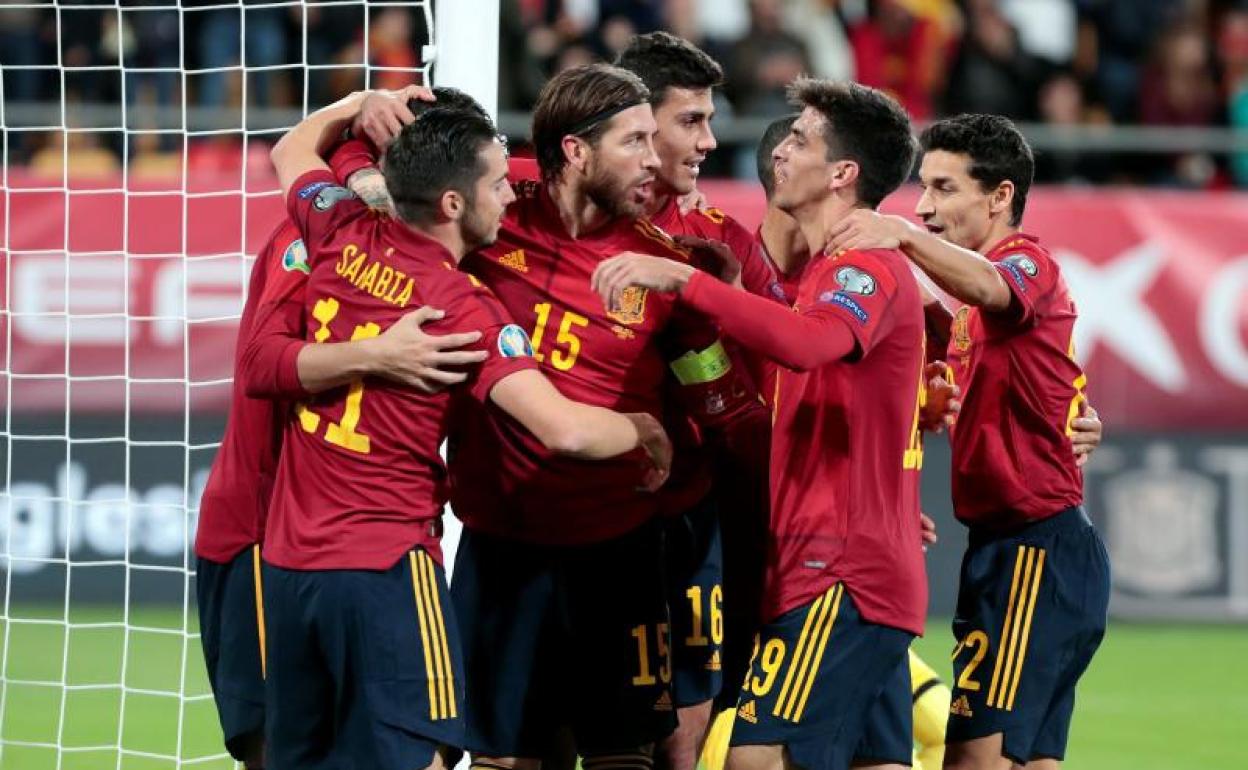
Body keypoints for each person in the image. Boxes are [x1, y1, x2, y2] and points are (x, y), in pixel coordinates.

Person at [258, 91, 672, 770]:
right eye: (499, 184)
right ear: (453, 205)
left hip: (292, 564)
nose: (512, 199)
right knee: (419, 759)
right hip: (386, 562)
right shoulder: (460, 309)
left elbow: (290, 150)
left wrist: (362, 104)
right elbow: (563, 429)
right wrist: (642, 428)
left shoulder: (338, 229)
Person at [593, 78, 929, 770]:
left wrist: (685, 283)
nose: (779, 151)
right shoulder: (819, 278)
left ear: (842, 173)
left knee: (756, 755)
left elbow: (808, 344)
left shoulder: (865, 267)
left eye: (800, 140)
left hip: (838, 573)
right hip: (840, 564)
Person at [193, 90, 485, 769]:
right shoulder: (314, 243)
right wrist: (378, 354)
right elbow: (261, 363)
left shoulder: (421, 259)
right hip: (264, 533)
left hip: (349, 541)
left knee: (421, 749)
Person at [824, 113, 1111, 770]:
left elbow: (991, 285)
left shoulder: (1025, 263)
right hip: (1010, 551)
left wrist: (895, 236)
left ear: (1000, 195)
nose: (923, 207)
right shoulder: (963, 319)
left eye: (945, 188)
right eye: (921, 189)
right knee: (1026, 762)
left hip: (1035, 553)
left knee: (972, 761)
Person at [613, 32, 775, 769]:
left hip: (691, 515)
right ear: (639, 127)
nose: (710, 141)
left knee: (686, 723)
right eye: (692, 122)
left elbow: (794, 361)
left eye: (710, 120)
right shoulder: (556, 216)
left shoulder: (724, 242)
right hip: (575, 516)